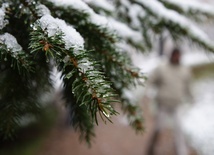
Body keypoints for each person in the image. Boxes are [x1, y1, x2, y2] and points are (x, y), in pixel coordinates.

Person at [144, 48, 193, 155]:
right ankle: (151, 149)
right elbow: (151, 80)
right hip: (163, 105)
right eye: (174, 55)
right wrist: (147, 91)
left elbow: (188, 86)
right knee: (158, 128)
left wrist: (191, 97)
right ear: (171, 55)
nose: (176, 57)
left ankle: (181, 151)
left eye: (178, 55)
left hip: (177, 105)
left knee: (179, 129)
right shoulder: (162, 68)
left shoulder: (185, 70)